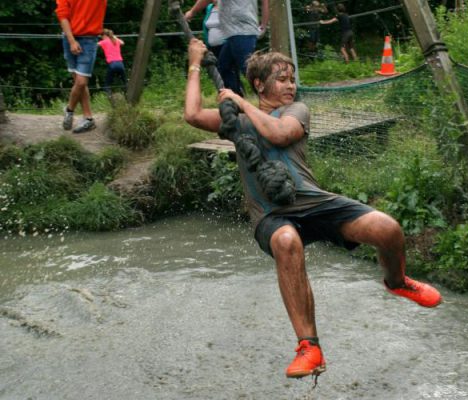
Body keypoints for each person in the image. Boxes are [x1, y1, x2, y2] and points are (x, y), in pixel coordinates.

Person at [184, 39, 442, 379]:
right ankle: (309, 346)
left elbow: (278, 134)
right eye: (282, 79)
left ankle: (397, 282)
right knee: (286, 242)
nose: (291, 85)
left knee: (388, 229)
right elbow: (191, 114)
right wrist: (195, 64)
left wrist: (240, 103)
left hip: (313, 200)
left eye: (292, 79)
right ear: (260, 84)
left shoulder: (296, 112)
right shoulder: (235, 121)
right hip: (271, 215)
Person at [185, 0, 269, 96]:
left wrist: (192, 12)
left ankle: (271, 98)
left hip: (240, 32)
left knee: (249, 71)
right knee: (224, 67)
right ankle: (236, 100)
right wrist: (263, 24)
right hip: (236, 33)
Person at [55, 0, 107, 133]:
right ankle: (88, 119)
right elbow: (63, 16)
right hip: (69, 37)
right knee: (79, 82)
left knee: (81, 82)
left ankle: (69, 110)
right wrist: (72, 41)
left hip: (89, 39)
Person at [98, 29, 128, 97]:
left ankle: (110, 97)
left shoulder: (104, 41)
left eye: (101, 36)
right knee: (125, 83)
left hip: (112, 65)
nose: (101, 38)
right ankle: (127, 95)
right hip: (121, 64)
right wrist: (114, 37)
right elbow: (122, 43)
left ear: (104, 35)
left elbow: (95, 45)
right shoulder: (116, 40)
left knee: (107, 85)